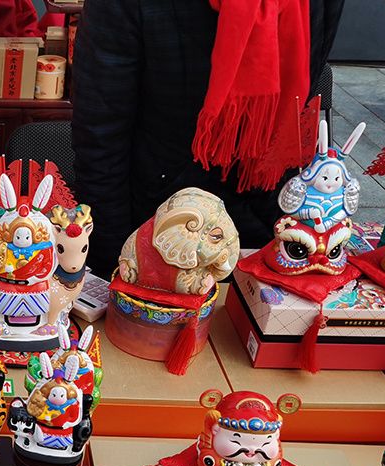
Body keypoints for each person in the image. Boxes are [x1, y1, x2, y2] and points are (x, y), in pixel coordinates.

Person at [72, 0, 346, 277]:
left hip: (279, 229)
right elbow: (100, 136)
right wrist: (116, 264)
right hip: (163, 234)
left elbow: (303, 97)